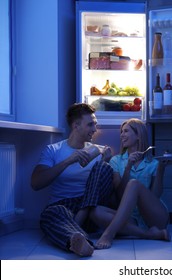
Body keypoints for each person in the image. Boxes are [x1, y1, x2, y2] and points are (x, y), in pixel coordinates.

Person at [31, 103, 113, 257]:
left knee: (103, 168)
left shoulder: (96, 151)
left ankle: (78, 224)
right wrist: (68, 161)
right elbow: (36, 183)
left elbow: (107, 186)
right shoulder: (54, 150)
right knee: (51, 213)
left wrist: (106, 161)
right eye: (90, 125)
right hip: (64, 207)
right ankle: (79, 240)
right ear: (76, 125)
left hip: (90, 210)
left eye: (95, 124)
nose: (95, 130)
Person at [90, 118, 171, 249]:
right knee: (95, 212)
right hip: (129, 217)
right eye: (121, 132)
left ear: (138, 135)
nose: (122, 135)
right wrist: (128, 167)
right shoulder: (116, 161)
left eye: (126, 131)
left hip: (154, 217)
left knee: (134, 184)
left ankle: (109, 234)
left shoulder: (154, 163)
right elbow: (120, 195)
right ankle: (149, 235)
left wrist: (161, 169)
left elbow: (156, 195)